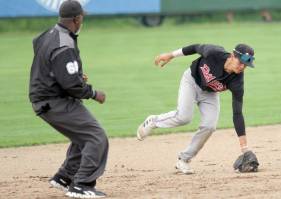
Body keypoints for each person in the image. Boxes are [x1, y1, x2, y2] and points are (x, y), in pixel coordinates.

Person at [137, 43, 256, 174]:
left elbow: (237, 113)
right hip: (191, 81)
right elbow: (195, 48)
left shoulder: (237, 81)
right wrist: (171, 55)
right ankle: (154, 121)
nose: (242, 67)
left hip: (210, 94)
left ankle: (184, 160)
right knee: (184, 117)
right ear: (232, 56)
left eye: (246, 65)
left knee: (209, 126)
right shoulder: (214, 53)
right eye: (241, 62)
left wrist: (245, 148)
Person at [29, 0, 108, 198]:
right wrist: (93, 93)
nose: (82, 21)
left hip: (46, 97)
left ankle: (64, 177)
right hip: (53, 100)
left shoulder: (48, 34)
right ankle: (82, 185)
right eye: (82, 17)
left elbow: (39, 48)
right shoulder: (65, 43)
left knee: (82, 136)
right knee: (96, 137)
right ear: (76, 18)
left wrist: (67, 75)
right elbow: (72, 86)